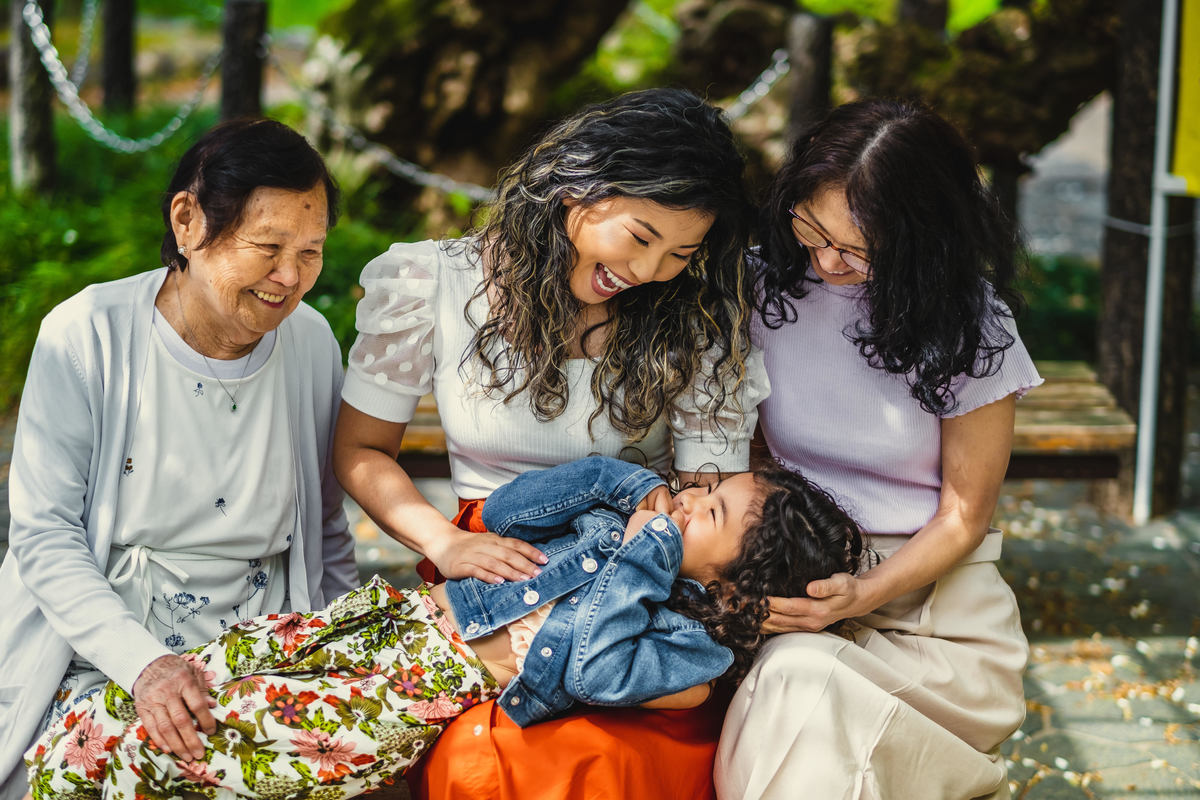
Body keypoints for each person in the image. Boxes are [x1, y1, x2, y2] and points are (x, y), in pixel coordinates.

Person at [334, 87, 764, 799]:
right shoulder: (432, 280)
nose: (651, 271)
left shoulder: (694, 318)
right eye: (640, 236)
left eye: (680, 252)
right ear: (576, 189)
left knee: (628, 763)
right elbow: (362, 450)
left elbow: (706, 496)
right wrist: (442, 544)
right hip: (493, 569)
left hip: (639, 580)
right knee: (503, 768)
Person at [26, 456, 865, 800]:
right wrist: (617, 483)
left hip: (408, 692)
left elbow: (596, 668)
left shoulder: (693, 653)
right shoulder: (618, 523)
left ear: (735, 577)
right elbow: (507, 511)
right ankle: (71, 747)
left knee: (233, 735)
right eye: (701, 487)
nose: (686, 502)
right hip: (385, 624)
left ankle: (85, 773)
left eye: (709, 512)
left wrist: (645, 557)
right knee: (216, 674)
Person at [0, 118, 360, 800]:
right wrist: (147, 667)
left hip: (258, 654)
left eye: (310, 253)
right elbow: (45, 537)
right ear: (188, 222)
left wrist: (335, 653)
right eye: (268, 247)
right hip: (103, 658)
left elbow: (325, 529)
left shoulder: (310, 342)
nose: (290, 278)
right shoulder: (86, 334)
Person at [715, 98, 1043, 800]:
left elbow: (963, 515)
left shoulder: (971, 325)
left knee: (798, 685)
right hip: (794, 576)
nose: (828, 261)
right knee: (793, 679)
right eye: (812, 230)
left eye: (859, 249)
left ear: (923, 237)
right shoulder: (761, 288)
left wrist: (861, 594)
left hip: (934, 619)